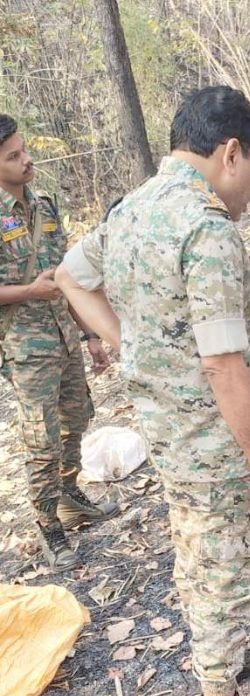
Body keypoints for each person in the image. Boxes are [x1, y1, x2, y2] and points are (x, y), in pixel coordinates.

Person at [55, 87, 250, 696]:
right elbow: (222, 365)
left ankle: (226, 658)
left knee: (204, 555)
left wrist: (132, 346)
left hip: (171, 433)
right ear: (230, 152)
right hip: (215, 445)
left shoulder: (133, 210)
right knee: (219, 568)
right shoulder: (206, 229)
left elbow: (71, 276)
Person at [0, 114, 117, 569]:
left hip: (65, 336)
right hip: (26, 348)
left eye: (24, 150)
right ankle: (48, 524)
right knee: (41, 440)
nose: (27, 160)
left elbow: (68, 278)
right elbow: (38, 286)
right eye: (14, 156)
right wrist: (30, 291)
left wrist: (90, 335)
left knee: (78, 416)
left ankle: (69, 496)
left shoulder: (45, 207)